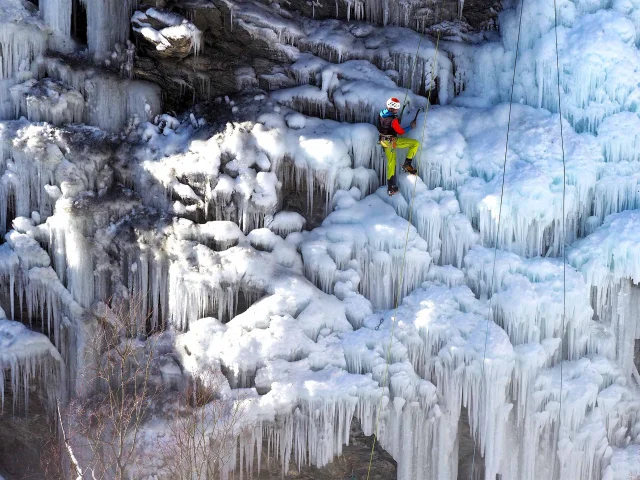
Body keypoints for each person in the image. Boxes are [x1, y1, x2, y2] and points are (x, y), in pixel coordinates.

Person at [378, 97, 419, 196]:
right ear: (393, 108)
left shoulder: (382, 113)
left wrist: (395, 120)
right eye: (397, 108)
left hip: (383, 141)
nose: (398, 110)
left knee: (391, 163)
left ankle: (390, 187)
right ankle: (407, 164)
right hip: (392, 142)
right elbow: (400, 131)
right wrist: (411, 126)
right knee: (415, 143)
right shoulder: (393, 120)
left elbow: (385, 124)